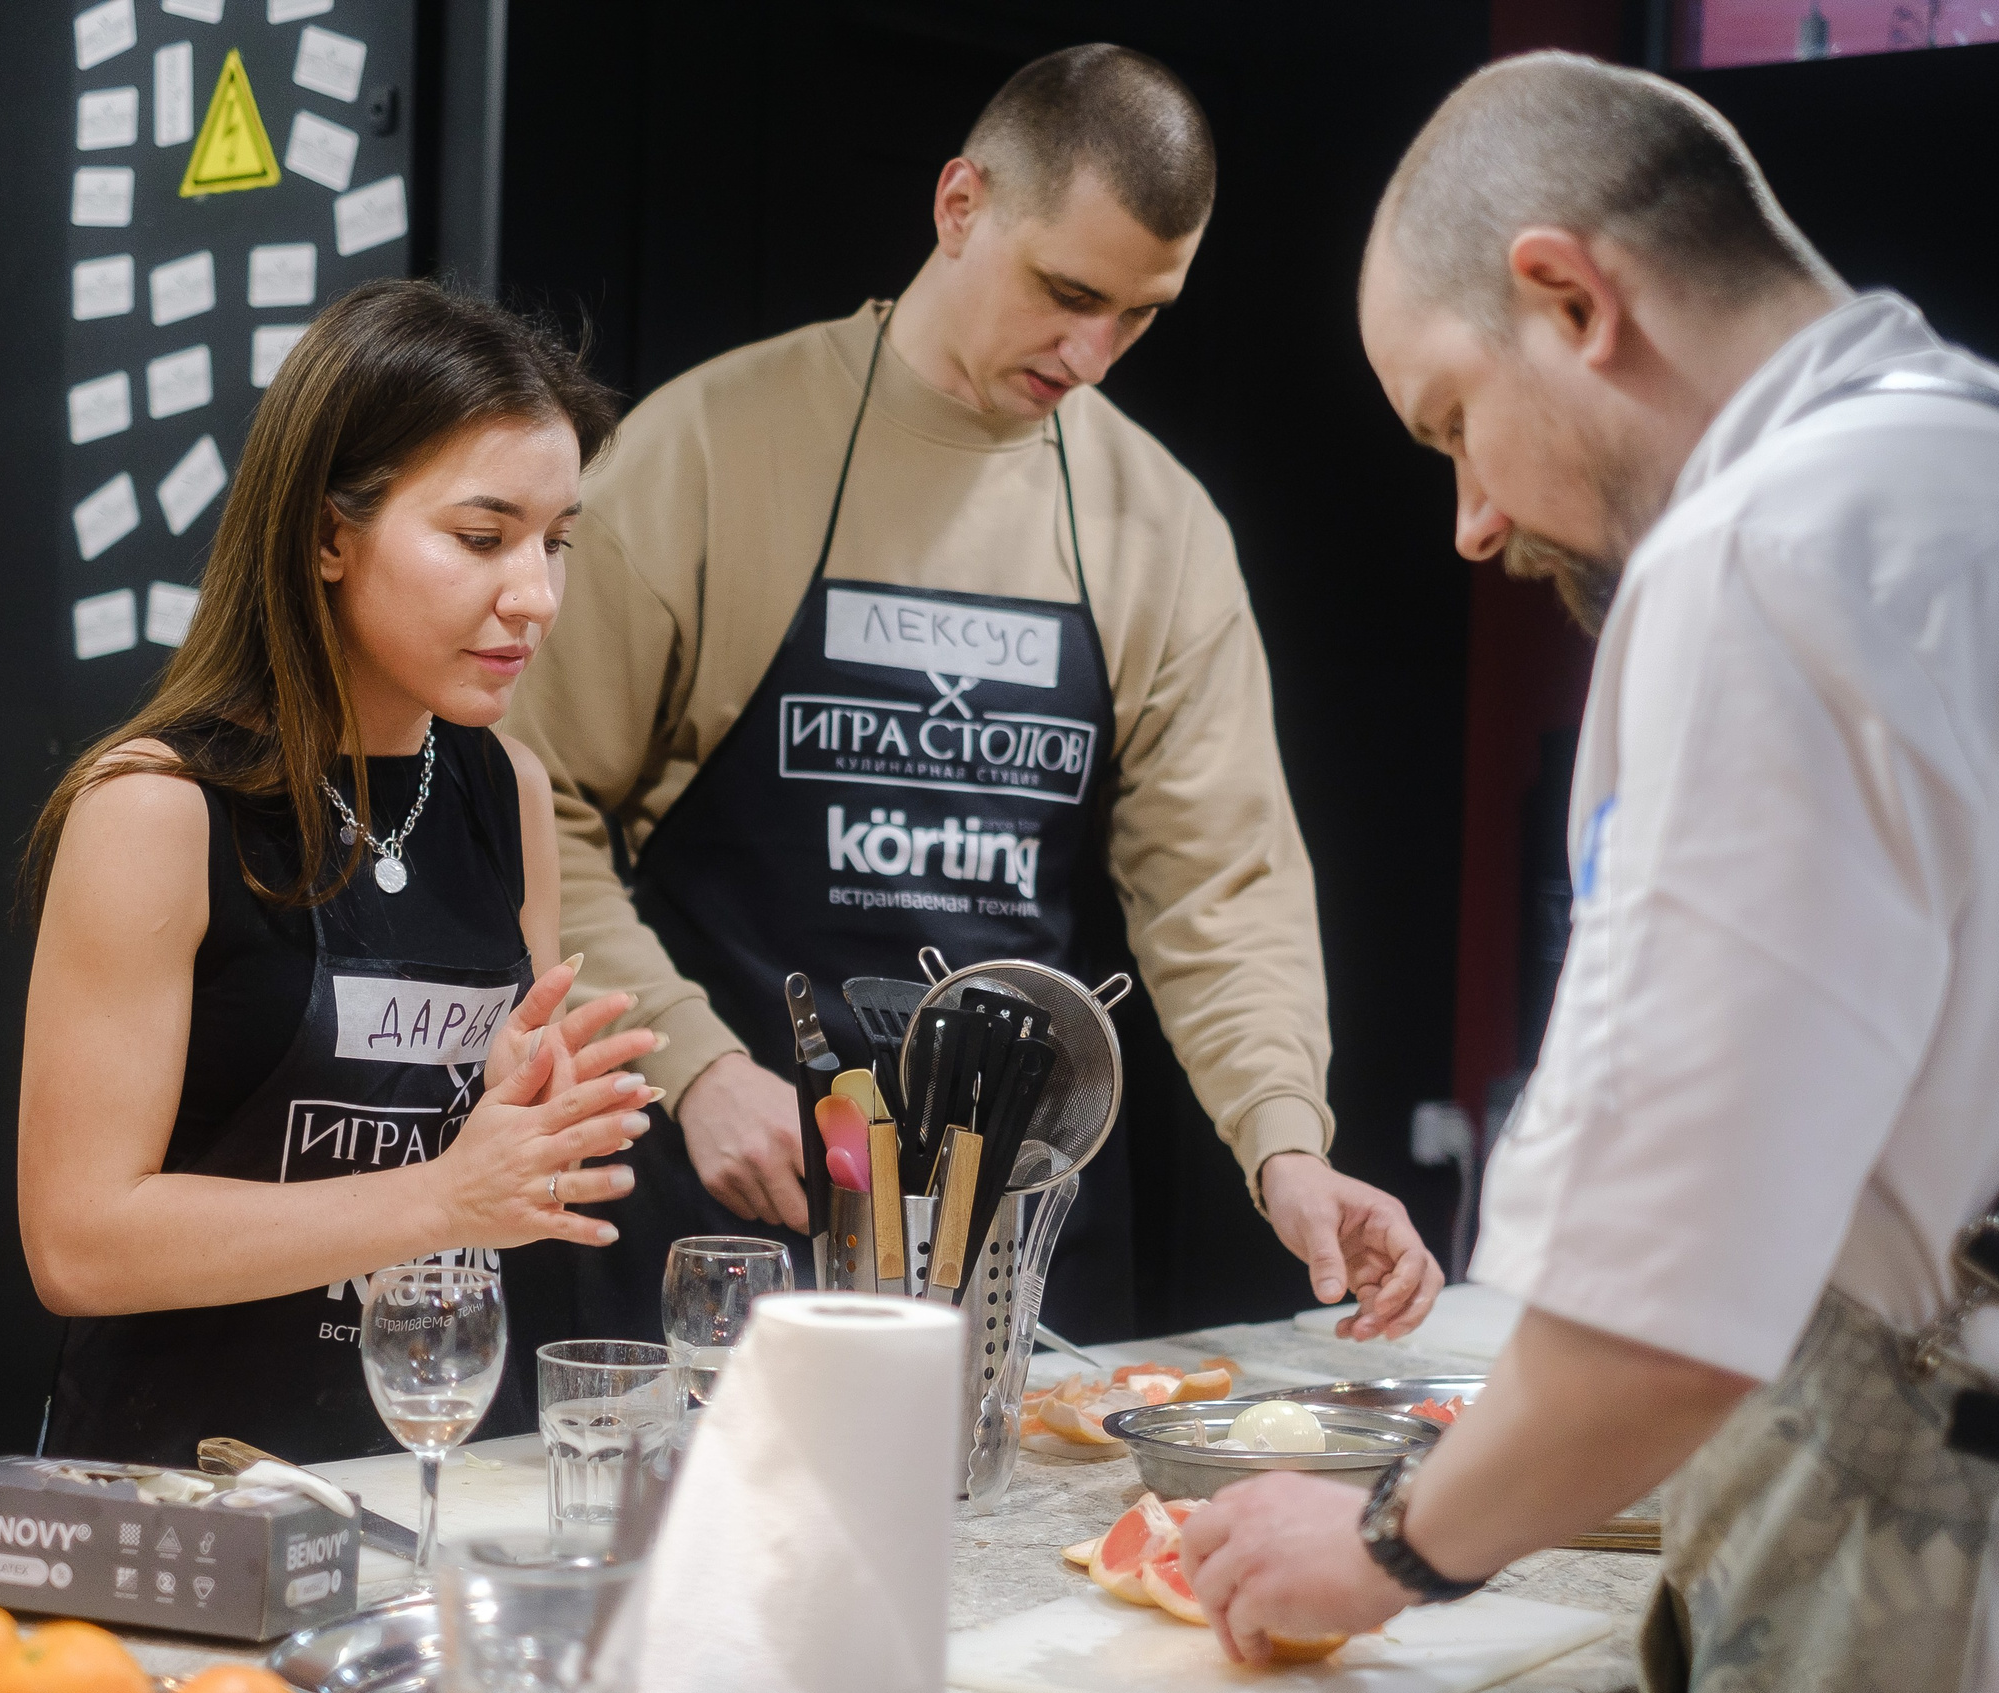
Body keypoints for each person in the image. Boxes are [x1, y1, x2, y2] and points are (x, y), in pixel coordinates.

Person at [1181, 53, 1999, 1693]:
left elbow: (1663, 1316)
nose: (1469, 516)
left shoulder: (1766, 552)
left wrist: (1385, 1544)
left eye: (1456, 421)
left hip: (1957, 1591)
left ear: (1568, 296)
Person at [502, 44, 1440, 1345]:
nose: (1095, 351)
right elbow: (531, 803)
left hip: (1014, 1242)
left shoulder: (1152, 522)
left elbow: (1221, 883)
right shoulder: (713, 448)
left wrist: (1288, 1144)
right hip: (728, 1205)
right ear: (959, 207)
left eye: (1141, 313)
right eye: (1067, 291)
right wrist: (694, 1061)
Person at [20, 279, 664, 1467]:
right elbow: (79, 1243)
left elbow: (478, 1173)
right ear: (327, 535)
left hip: (440, 1464)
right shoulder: (157, 808)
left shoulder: (503, 787)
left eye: (555, 541)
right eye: (481, 539)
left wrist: (516, 1111)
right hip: (187, 1488)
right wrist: (444, 1192)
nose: (535, 596)